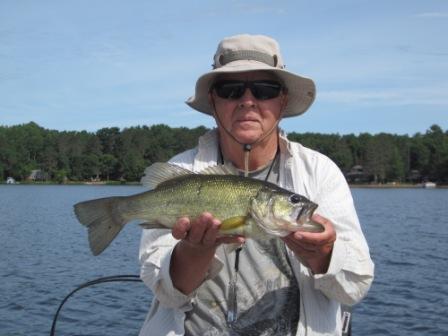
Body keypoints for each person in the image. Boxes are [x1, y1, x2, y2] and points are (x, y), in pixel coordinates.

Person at [138, 34, 374, 336]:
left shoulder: (319, 173)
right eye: (230, 89)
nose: (247, 101)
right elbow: (167, 293)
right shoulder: (181, 173)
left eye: (265, 90)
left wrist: (323, 254)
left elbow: (354, 288)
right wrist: (194, 252)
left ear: (283, 100)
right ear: (213, 101)